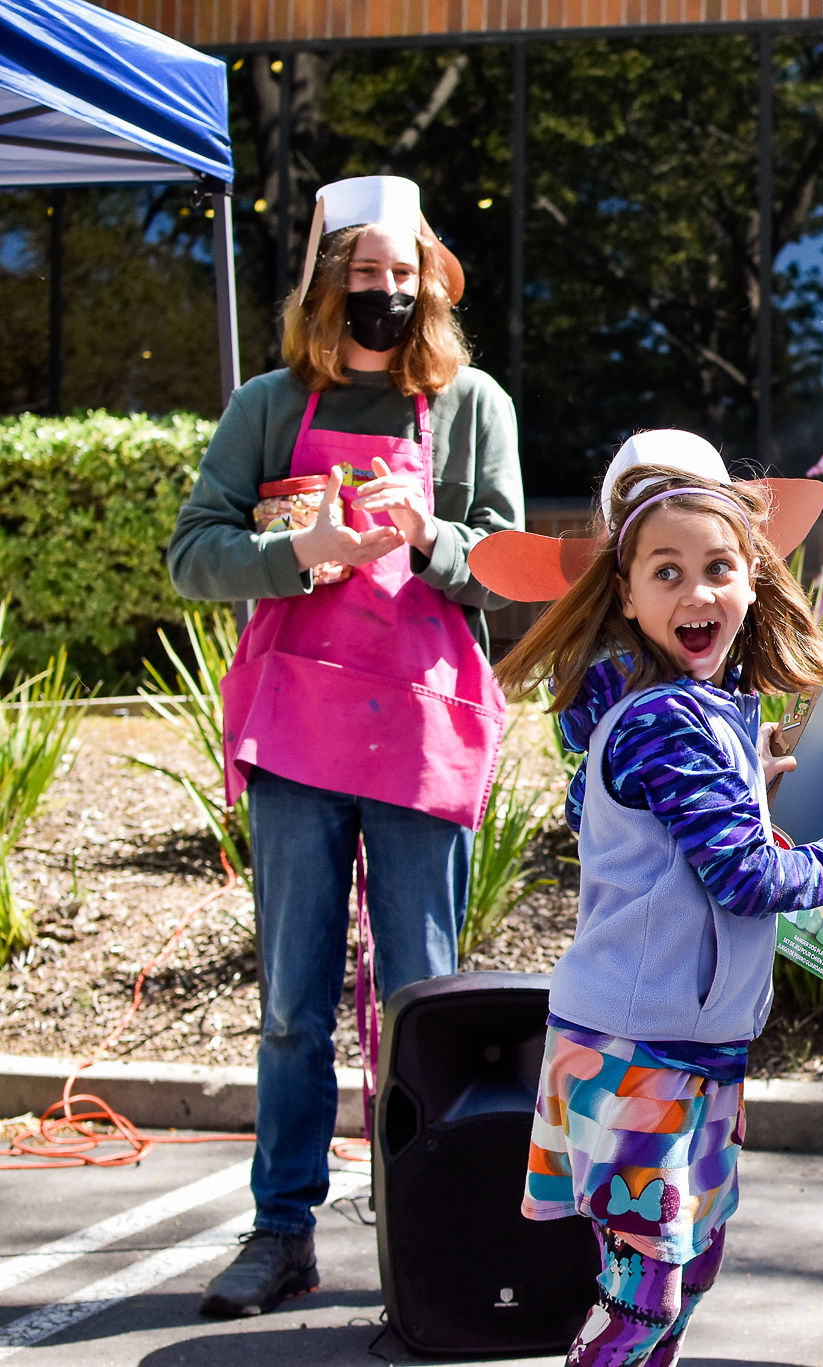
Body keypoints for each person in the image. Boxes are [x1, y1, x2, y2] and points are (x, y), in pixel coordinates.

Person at [487, 432, 823, 1363]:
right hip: (636, 1053)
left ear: (755, 577)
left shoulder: (704, 711)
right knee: (645, 1295)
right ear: (627, 595)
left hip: (689, 1045)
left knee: (687, 1272)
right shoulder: (665, 720)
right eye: (667, 572)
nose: (697, 592)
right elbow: (749, 877)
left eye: (719, 566)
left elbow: (648, 834)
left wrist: (745, 787)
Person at [166, 176, 521, 1318]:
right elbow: (194, 553)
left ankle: (433, 1233)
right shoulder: (269, 403)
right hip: (297, 733)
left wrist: (433, 538)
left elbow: (508, 565)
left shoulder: (470, 405)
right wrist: (290, 552)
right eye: (363, 272)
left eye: (402, 272)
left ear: (431, 284)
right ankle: (283, 1231)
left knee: (420, 999)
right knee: (292, 1004)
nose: (384, 291)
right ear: (329, 283)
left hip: (420, 726)